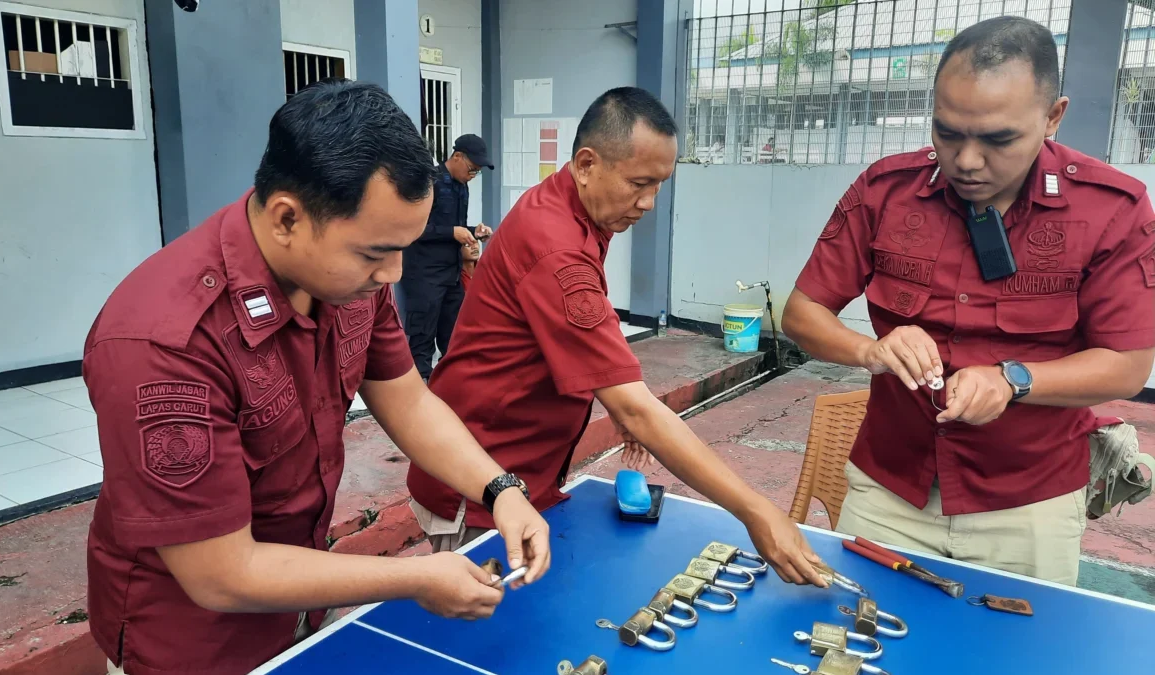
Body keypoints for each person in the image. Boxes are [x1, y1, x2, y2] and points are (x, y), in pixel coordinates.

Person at [82, 81, 550, 675]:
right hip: (191, 645)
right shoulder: (164, 343)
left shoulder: (348, 281)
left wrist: (500, 489)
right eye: (375, 252)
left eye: (403, 248)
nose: (394, 273)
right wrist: (414, 578)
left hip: (299, 609)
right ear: (286, 218)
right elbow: (221, 575)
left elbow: (406, 399)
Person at [782, 16, 1155, 586]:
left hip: (1028, 504)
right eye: (948, 133)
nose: (967, 161)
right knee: (856, 642)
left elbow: (1128, 367)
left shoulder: (1111, 211)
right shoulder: (885, 192)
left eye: (999, 139)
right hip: (889, 489)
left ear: (1053, 116)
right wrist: (871, 350)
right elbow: (802, 313)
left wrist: (1014, 381)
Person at [406, 86, 827, 587]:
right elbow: (634, 406)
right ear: (586, 164)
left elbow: (588, 344)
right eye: (638, 183)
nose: (648, 203)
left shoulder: (575, 209)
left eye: (659, 185)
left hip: (526, 473)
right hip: (477, 484)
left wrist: (614, 387)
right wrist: (755, 510)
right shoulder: (557, 247)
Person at [401, 133, 494, 380]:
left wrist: (474, 231)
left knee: (454, 335)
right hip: (425, 274)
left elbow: (455, 227)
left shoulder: (461, 188)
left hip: (451, 274)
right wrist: (452, 232)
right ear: (457, 156)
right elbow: (412, 229)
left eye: (478, 172)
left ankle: (450, 383)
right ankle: (421, 389)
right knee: (422, 337)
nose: (473, 176)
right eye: (472, 169)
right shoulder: (428, 183)